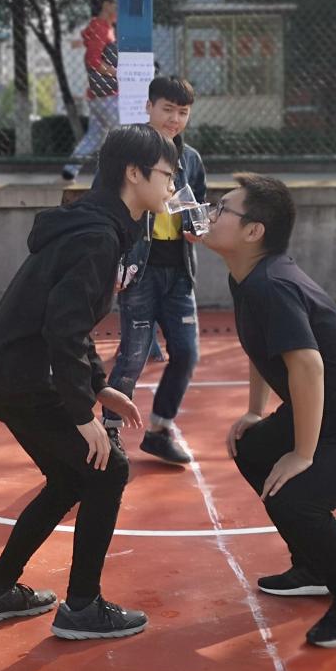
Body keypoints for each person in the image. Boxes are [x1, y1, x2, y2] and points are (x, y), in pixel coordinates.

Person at [0, 124, 178, 640]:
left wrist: (98, 386)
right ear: (134, 174)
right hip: (20, 376)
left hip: (2, 373)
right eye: (167, 176)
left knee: (70, 479)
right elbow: (62, 328)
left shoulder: (97, 227)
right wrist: (83, 414)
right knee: (108, 469)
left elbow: (70, 320)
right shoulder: (97, 237)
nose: (173, 187)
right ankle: (82, 606)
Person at [199, 173, 336, 648]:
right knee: (253, 448)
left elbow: (308, 366)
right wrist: (254, 411)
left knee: (295, 497)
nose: (209, 214)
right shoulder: (248, 277)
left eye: (222, 208)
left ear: (253, 231)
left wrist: (302, 454)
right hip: (332, 411)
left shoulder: (271, 285)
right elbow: (264, 348)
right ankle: (313, 565)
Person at [99, 76, 206, 465]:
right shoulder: (127, 151)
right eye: (167, 109)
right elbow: (103, 203)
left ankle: (160, 429)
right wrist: (113, 259)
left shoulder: (190, 159)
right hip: (138, 270)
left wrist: (198, 227)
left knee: (187, 353)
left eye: (183, 112)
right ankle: (110, 431)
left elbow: (198, 207)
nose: (174, 119)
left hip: (179, 271)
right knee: (133, 356)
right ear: (149, 107)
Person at [60, 0, 118, 183]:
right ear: (107, 5)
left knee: (94, 136)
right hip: (107, 95)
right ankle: (112, 175)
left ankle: (70, 170)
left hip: (98, 95)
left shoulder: (104, 28)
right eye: (117, 5)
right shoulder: (100, 28)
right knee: (123, 133)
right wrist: (119, 73)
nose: (120, 10)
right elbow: (93, 61)